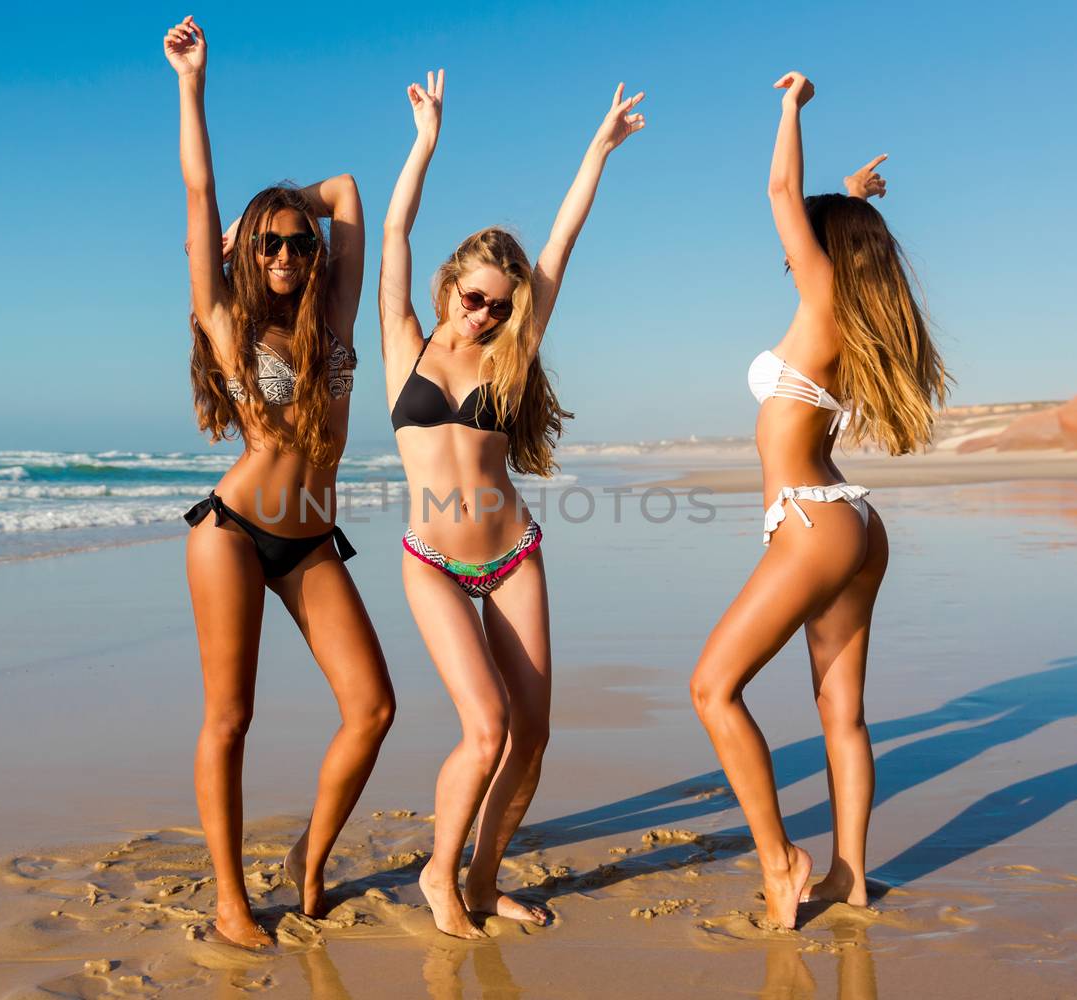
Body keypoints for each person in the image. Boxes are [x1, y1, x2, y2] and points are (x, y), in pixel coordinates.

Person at [379, 68, 646, 938]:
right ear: (451, 281)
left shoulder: (510, 354)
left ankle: (486, 879)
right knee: (486, 726)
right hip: (435, 564)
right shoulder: (403, 345)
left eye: (500, 303)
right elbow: (393, 229)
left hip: (514, 552)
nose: (487, 313)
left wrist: (598, 151)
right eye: (475, 296)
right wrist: (425, 143)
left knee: (532, 732)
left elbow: (561, 245)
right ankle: (438, 877)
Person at [689, 71, 949, 929]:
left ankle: (782, 860)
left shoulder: (821, 296)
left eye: (812, 235)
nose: (792, 245)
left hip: (810, 524)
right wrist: (853, 198)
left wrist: (791, 109)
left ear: (826, 251)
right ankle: (852, 876)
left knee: (713, 688)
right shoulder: (856, 314)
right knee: (843, 713)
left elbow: (775, 192)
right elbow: (824, 225)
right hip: (855, 525)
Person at [165, 15, 395, 948]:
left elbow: (346, 191)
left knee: (372, 707)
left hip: (308, 540)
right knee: (231, 717)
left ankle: (308, 858)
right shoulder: (226, 321)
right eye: (271, 244)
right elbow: (197, 187)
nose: (290, 257)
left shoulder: (330, 311)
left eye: (300, 243)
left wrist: (285, 201)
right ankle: (228, 899)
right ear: (244, 254)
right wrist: (192, 84)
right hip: (232, 530)